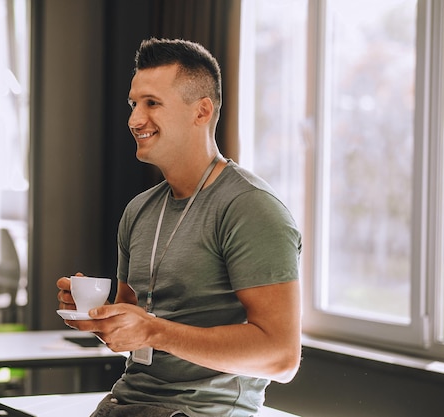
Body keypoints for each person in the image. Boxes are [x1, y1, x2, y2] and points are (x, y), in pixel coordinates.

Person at [57, 37, 302, 417]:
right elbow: (134, 324)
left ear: (201, 111)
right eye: (133, 104)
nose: (135, 119)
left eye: (152, 103)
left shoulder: (250, 208)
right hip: (125, 405)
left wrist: (155, 330)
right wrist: (100, 316)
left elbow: (281, 357)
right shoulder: (139, 210)